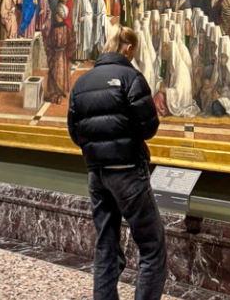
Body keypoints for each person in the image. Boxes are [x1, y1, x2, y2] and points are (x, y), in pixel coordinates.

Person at [66, 27, 166, 300]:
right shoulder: (131, 77)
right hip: (128, 174)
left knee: (106, 245)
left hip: (96, 174)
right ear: (128, 48)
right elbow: (148, 128)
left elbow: (75, 133)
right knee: (152, 248)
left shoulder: (81, 82)